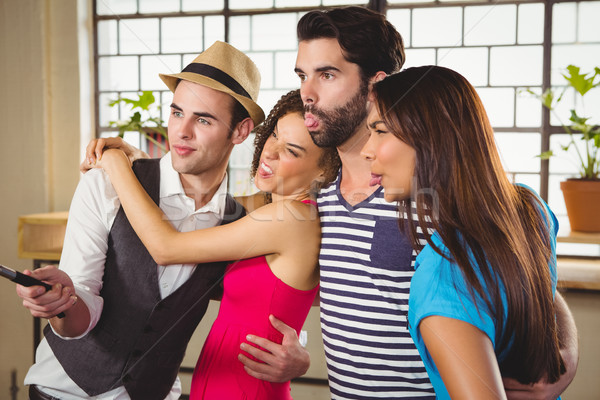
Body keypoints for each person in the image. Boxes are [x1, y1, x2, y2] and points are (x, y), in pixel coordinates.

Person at [284, 5, 578, 399]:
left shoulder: (442, 198)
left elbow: (529, 284)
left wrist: (563, 358)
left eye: (327, 74)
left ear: (377, 86)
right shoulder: (313, 198)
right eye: (303, 75)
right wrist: (299, 355)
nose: (307, 92)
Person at [15, 41, 306, 400]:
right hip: (63, 391)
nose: (181, 132)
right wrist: (63, 303)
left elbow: (270, 294)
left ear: (241, 131)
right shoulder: (104, 184)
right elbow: (81, 309)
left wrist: (298, 354)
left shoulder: (241, 223)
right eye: (176, 112)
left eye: (203, 119)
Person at [84, 89, 339, 399]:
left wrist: (117, 164)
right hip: (220, 384)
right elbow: (206, 202)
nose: (270, 152)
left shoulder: (291, 218)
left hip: (246, 390)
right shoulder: (269, 207)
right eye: (274, 135)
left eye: (292, 151)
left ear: (325, 170)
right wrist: (147, 167)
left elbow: (167, 247)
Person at [361, 65, 567, 399]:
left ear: (431, 137)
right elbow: (548, 294)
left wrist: (566, 360)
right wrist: (566, 359)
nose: (366, 149)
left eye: (380, 131)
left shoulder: (442, 275)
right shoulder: (530, 210)